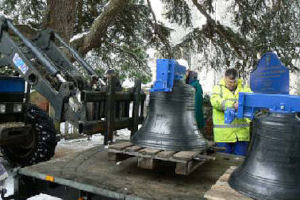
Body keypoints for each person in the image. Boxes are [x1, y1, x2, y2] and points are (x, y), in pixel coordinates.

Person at [210, 68, 251, 156]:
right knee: (223, 162)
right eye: (229, 82)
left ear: (238, 79)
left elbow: (252, 101)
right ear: (224, 78)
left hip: (241, 135)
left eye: (234, 82)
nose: (232, 85)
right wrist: (232, 105)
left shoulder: (245, 89)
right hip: (224, 135)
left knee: (239, 162)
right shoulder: (218, 88)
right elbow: (215, 101)